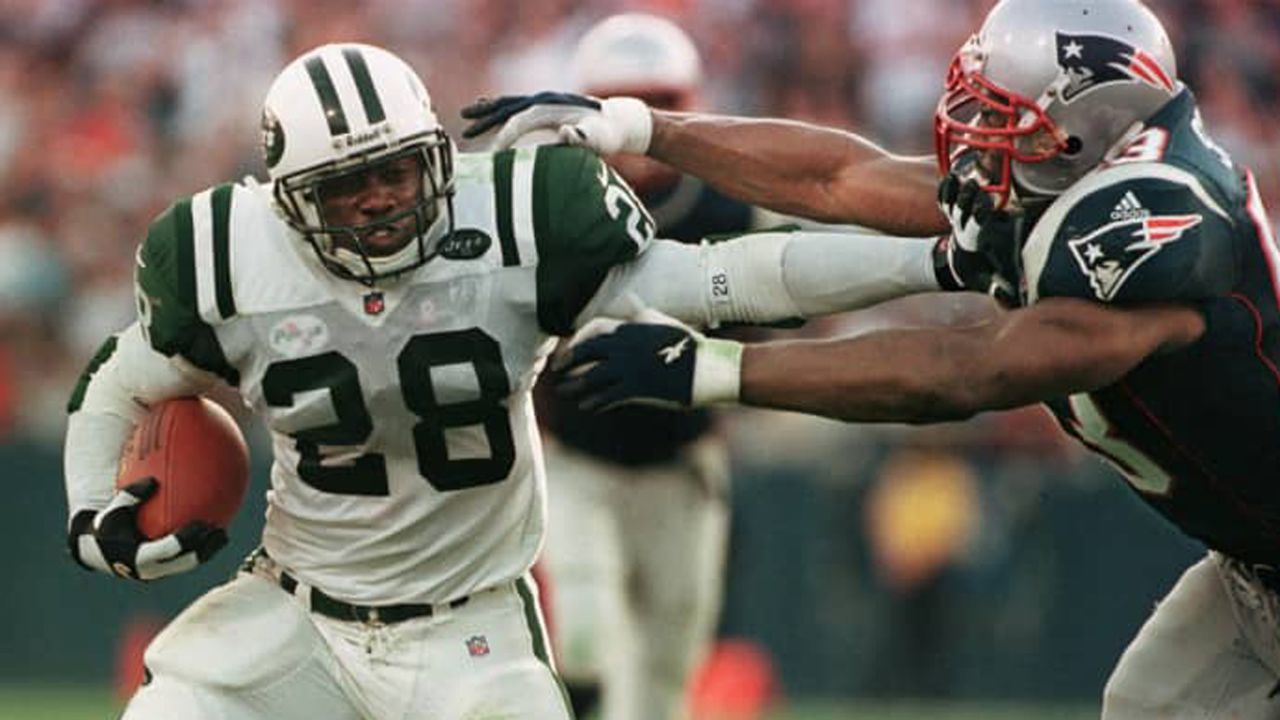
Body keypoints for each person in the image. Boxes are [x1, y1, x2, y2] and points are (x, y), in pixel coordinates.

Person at [62, 42, 981, 720]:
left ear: (434, 153)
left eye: (394, 170)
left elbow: (723, 277)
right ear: (289, 200)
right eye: (348, 187)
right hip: (295, 611)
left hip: (471, 635)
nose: (380, 200)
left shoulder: (515, 217)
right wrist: (86, 511)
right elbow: (118, 381)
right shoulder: (228, 257)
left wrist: (931, 261)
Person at [463, 1, 1280, 717]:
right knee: (1153, 706)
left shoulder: (1156, 232)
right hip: (1251, 562)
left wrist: (709, 371)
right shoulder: (1070, 179)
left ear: (1091, 123)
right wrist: (641, 127)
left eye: (1006, 112)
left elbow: (965, 371)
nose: (972, 127)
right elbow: (842, 175)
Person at [530, 14, 767, 720]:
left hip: (682, 462)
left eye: (658, 101)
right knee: (586, 635)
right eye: (620, 102)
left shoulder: (723, 202)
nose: (638, 122)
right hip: (575, 458)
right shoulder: (550, 201)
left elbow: (765, 318)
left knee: (668, 671)